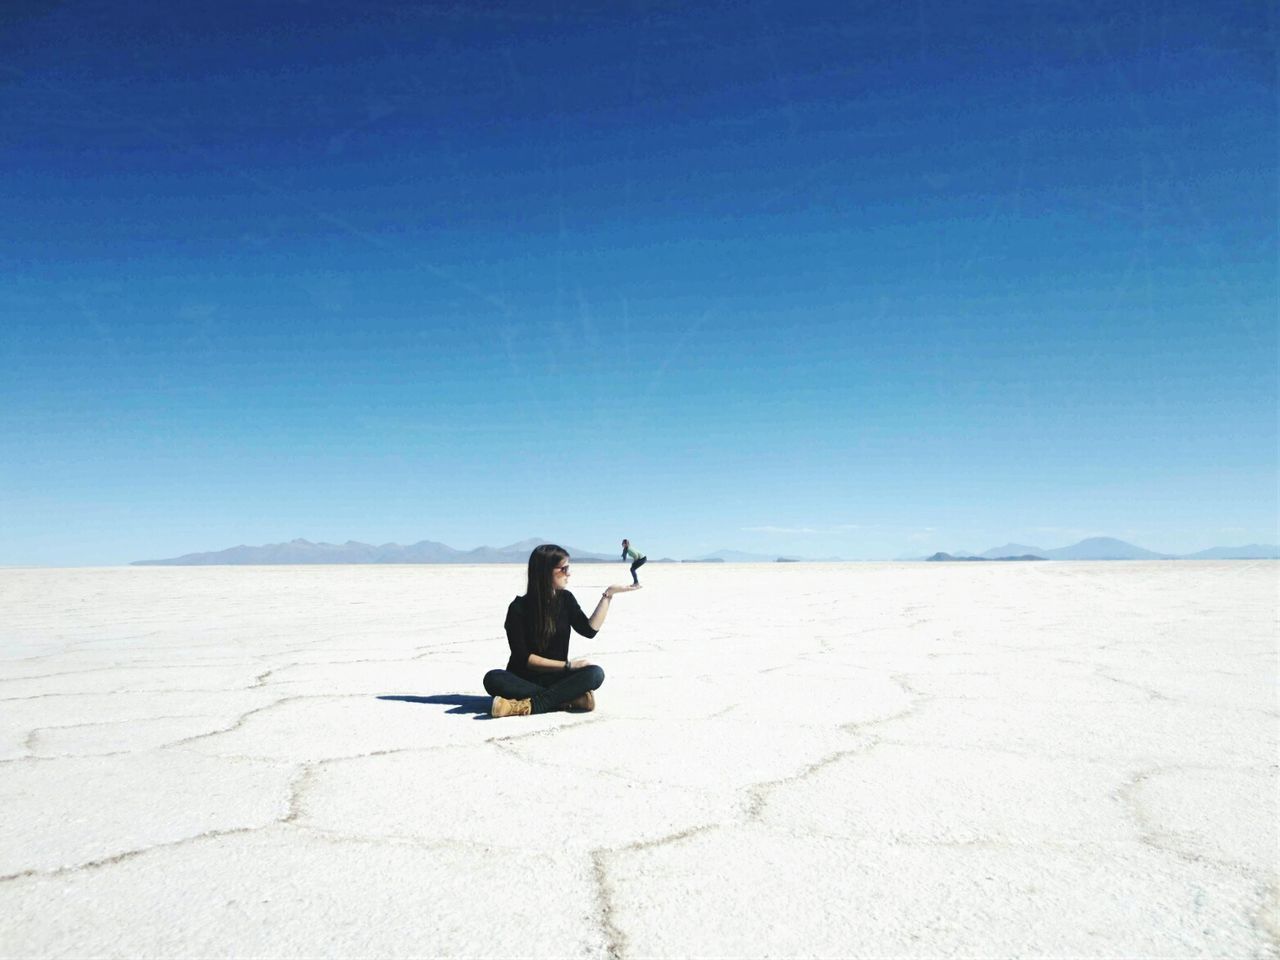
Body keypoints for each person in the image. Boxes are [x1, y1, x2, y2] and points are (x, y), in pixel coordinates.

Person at [483, 543, 637, 718]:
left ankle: (522, 706)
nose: (568, 574)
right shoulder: (518, 608)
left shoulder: (566, 599)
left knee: (595, 673)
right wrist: (568, 666)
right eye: (564, 569)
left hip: (556, 677)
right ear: (545, 572)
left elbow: (589, 630)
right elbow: (524, 658)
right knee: (493, 678)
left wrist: (608, 594)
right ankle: (566, 700)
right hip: (523, 678)